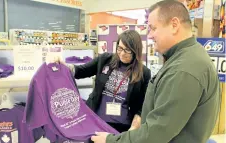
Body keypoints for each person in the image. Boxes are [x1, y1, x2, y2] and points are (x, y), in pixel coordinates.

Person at [91, 1, 221, 143]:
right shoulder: (186, 57)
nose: (150, 35)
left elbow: (156, 133)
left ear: (174, 25)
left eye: (153, 28)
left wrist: (110, 140)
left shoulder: (183, 70)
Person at [65, 30, 151, 133]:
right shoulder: (105, 59)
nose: (122, 53)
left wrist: (133, 129)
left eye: (127, 50)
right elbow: (81, 71)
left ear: (135, 51)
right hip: (96, 121)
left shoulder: (144, 72)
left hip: (122, 128)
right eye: (120, 48)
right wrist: (62, 66)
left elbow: (142, 106)